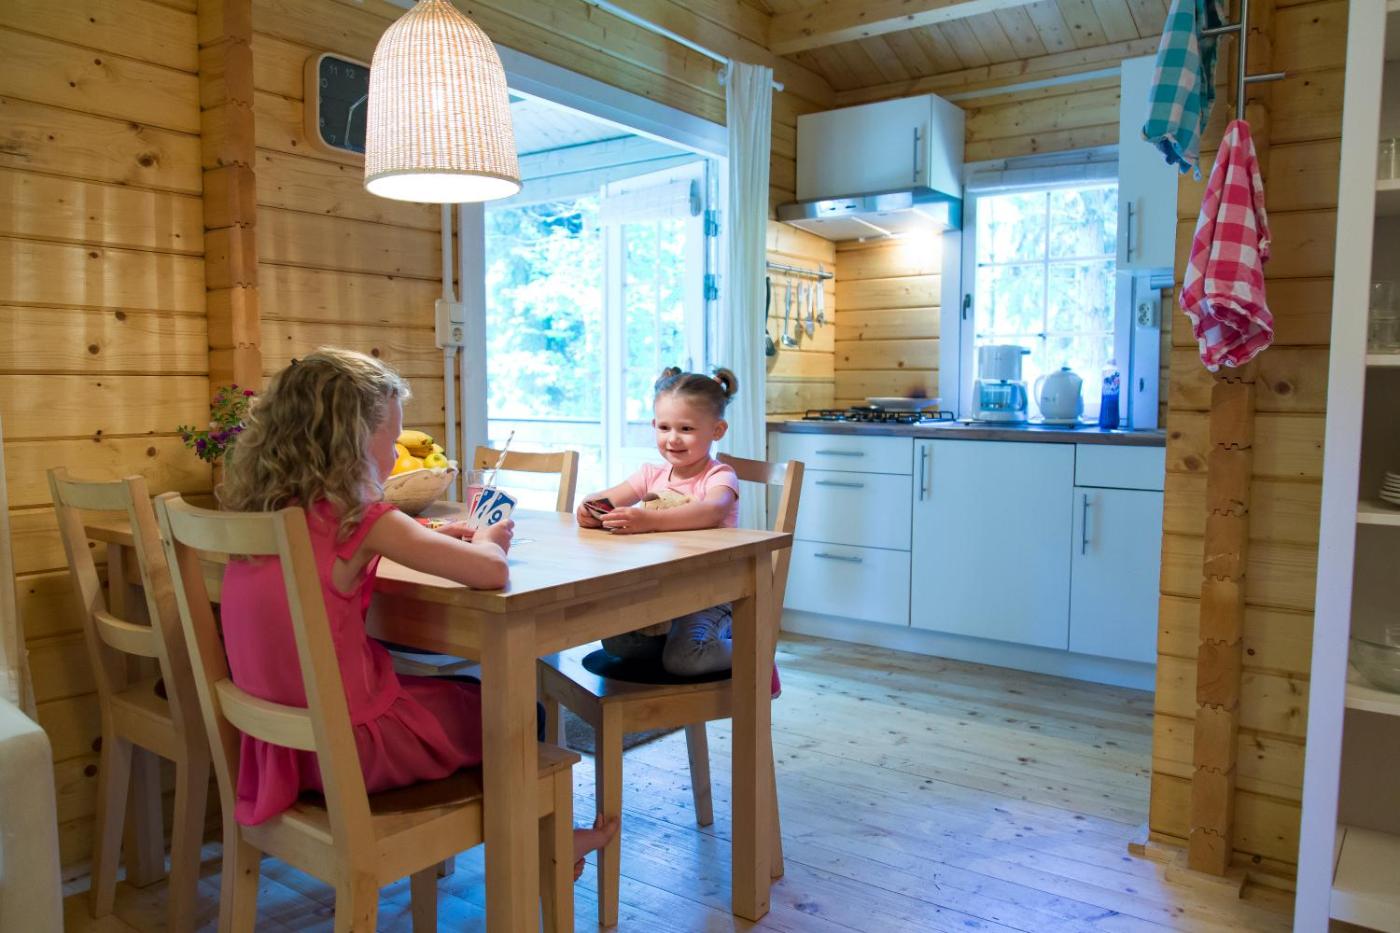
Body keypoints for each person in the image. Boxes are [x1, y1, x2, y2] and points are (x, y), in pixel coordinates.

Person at [217, 348, 614, 877]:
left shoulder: (264, 513)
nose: (396, 456)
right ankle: (546, 848)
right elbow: (490, 572)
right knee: (517, 710)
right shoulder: (364, 517)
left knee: (461, 694)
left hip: (279, 751)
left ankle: (535, 840)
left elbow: (344, 553)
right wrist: (488, 541)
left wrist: (426, 536)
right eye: (392, 440)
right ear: (354, 440)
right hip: (352, 749)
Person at [577, 367, 779, 693]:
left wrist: (648, 521)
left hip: (712, 593)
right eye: (664, 427)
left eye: (686, 429)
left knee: (684, 660)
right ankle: (675, 646)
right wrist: (590, 509)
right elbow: (606, 499)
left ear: (717, 430)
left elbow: (711, 511)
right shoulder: (650, 474)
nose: (672, 438)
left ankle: (756, 647)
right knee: (616, 641)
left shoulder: (719, 476)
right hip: (663, 591)